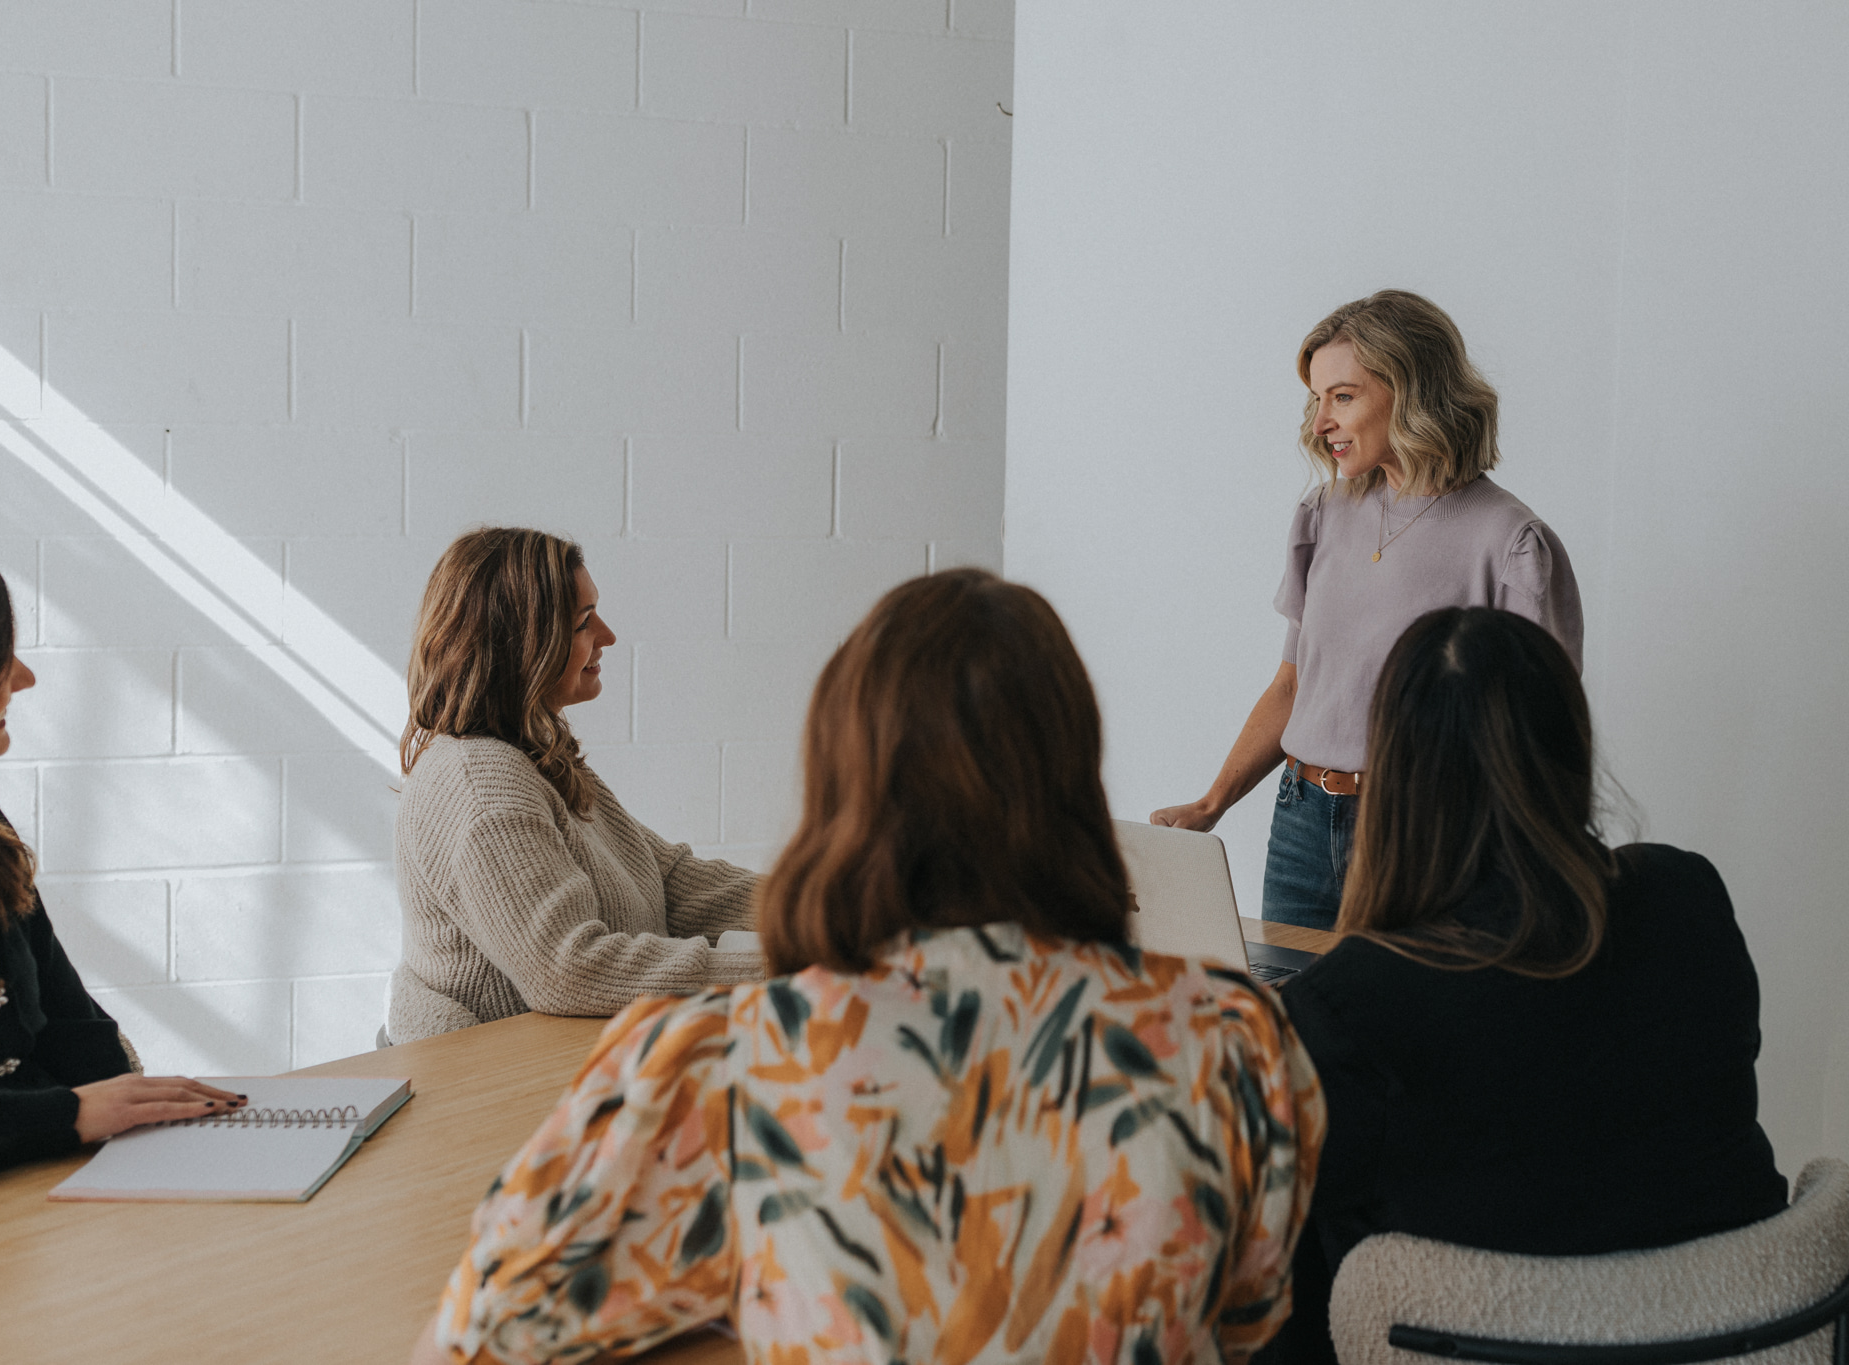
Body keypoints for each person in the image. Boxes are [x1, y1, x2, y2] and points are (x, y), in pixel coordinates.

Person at [411, 569, 1325, 1365]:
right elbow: (1244, 1323)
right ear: (1071, 774)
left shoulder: (721, 1069)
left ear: (841, 779)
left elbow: (479, 1335)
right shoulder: (1236, 1041)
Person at [1257, 607, 1787, 1361]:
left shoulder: (1351, 1006)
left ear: (1395, 777)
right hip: (1732, 1339)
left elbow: (1299, 1303)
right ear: (1571, 746)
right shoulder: (1686, 895)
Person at [1153, 290, 1583, 929]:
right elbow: (1296, 685)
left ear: (1412, 393)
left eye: (1343, 396)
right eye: (1316, 398)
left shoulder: (1511, 543)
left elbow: (1538, 743)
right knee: (1294, 1021)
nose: (1319, 420)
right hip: (1299, 822)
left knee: (1402, 1027)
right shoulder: (1324, 514)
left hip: (1423, 836)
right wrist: (1211, 803)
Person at [387, 528, 764, 1043]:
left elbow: (667, 879)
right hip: (491, 1092)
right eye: (584, 622)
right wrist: (779, 971)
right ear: (522, 643)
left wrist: (826, 915)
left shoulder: (534, 754)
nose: (607, 636)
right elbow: (568, 969)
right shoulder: (482, 787)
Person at [0, 557, 245, 1175]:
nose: (23, 679)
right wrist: (74, 1114)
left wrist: (151, 1122)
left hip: (45, 1178)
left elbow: (65, 1013)